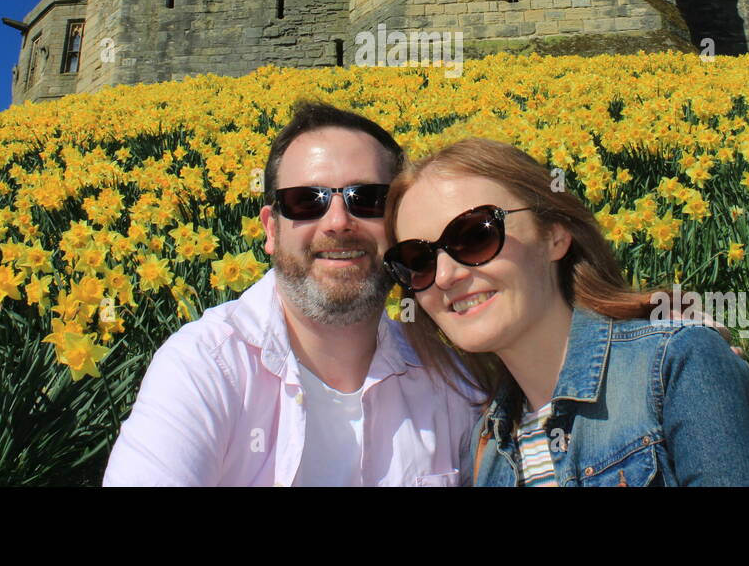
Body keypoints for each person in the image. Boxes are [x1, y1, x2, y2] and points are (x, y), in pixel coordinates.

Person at [102, 101, 483, 486]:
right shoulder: (205, 368)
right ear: (270, 229)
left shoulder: (449, 381)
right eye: (305, 201)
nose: (337, 222)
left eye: (367, 199)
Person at [382, 136, 749, 487]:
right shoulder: (483, 445)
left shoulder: (676, 366)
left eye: (475, 235)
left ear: (555, 236)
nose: (444, 275)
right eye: (417, 259)